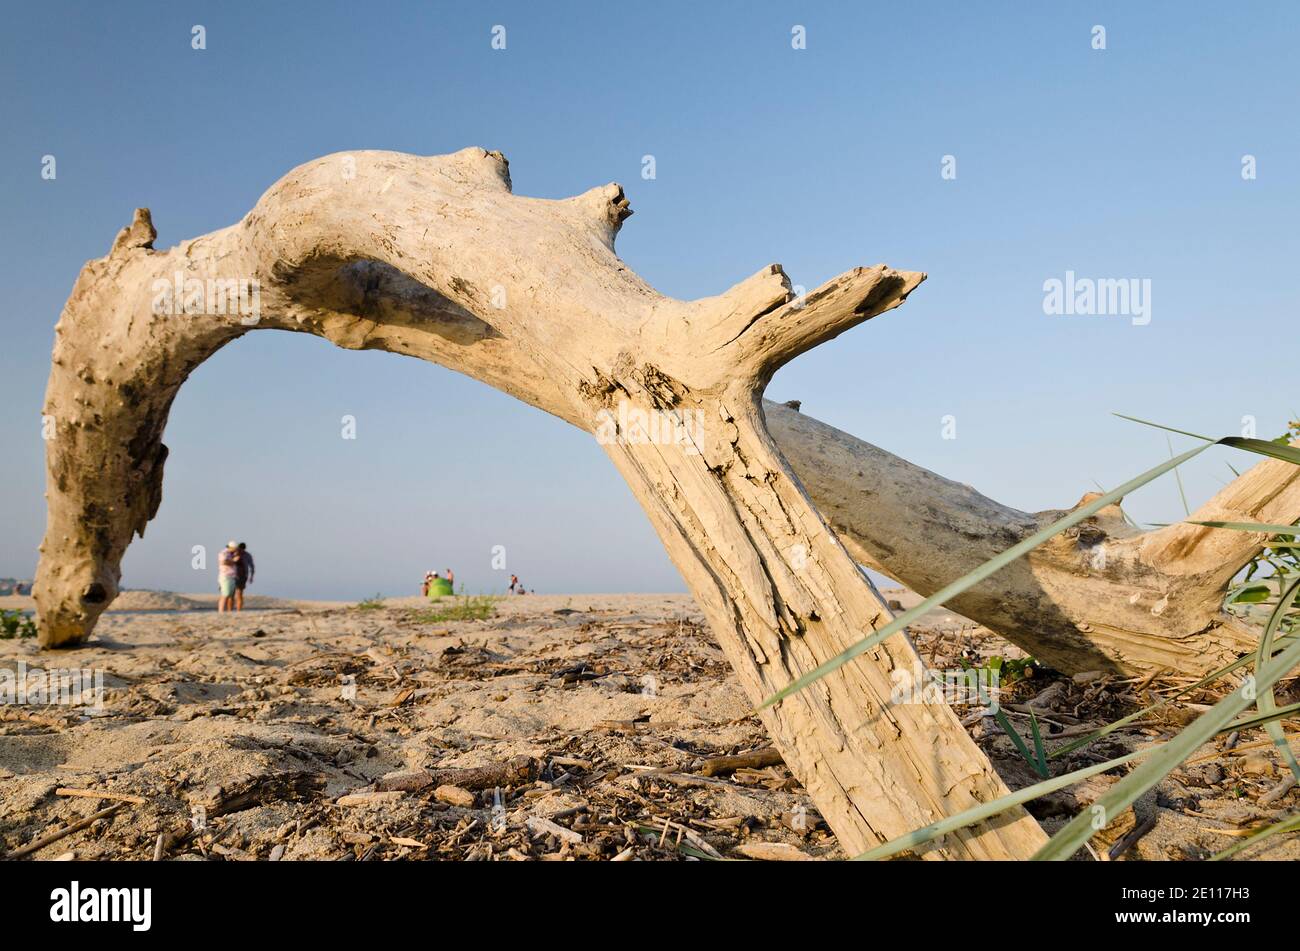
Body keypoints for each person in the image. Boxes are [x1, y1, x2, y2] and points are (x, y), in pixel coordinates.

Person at [217, 541, 240, 612]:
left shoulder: (232, 554)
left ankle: (226, 611)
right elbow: (223, 562)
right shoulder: (224, 553)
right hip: (226, 576)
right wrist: (234, 561)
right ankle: (221, 611)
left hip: (232, 576)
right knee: (225, 594)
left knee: (230, 594)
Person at [234, 542, 255, 611]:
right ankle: (229, 610)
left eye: (241, 549)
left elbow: (251, 566)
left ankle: (239, 610)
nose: (240, 550)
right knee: (230, 594)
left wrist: (251, 576)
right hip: (232, 575)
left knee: (239, 593)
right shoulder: (233, 554)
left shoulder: (247, 555)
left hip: (242, 576)